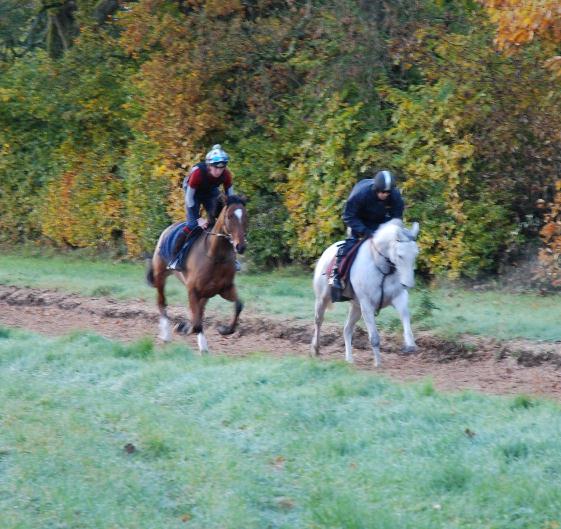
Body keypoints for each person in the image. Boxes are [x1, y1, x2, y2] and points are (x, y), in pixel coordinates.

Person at [329, 169, 405, 297]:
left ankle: (400, 278)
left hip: (380, 226)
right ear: (376, 189)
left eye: (388, 192)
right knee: (350, 246)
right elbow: (348, 216)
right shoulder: (361, 194)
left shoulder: (395, 196)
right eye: (382, 192)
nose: (385, 195)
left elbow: (397, 218)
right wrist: (365, 232)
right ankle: (336, 275)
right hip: (359, 224)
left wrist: (391, 232)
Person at [167, 144, 236, 270]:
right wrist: (198, 218)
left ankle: (232, 258)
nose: (218, 171)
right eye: (215, 167)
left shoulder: (226, 175)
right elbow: (189, 198)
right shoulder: (198, 173)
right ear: (209, 165)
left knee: (223, 223)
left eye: (222, 168)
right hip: (193, 193)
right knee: (193, 225)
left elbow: (231, 198)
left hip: (210, 191)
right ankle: (175, 258)